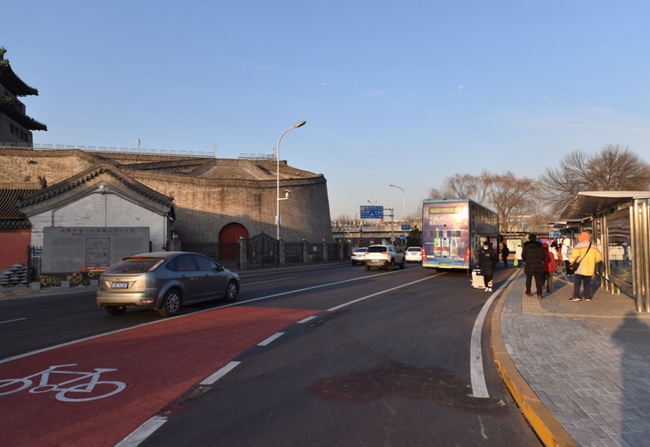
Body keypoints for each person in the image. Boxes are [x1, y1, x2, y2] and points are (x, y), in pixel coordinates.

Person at [569, 232, 603, 302]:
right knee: (587, 283)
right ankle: (587, 296)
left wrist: (571, 262)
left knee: (577, 283)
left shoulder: (579, 245)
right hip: (589, 268)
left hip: (580, 268)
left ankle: (576, 296)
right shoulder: (593, 246)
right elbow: (599, 257)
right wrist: (592, 261)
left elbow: (574, 256)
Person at [522, 233, 545, 299]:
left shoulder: (526, 247)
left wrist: (527, 260)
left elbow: (523, 256)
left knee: (528, 279)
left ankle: (528, 292)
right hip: (538, 265)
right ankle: (539, 294)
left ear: (529, 238)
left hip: (529, 265)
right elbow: (543, 256)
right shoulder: (540, 246)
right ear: (535, 238)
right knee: (538, 281)